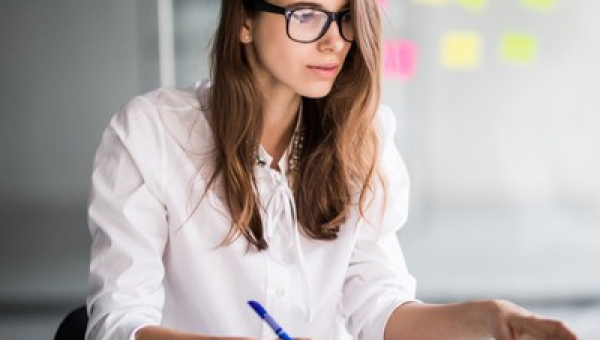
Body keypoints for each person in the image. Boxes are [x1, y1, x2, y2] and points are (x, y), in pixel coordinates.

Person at [85, 0, 580, 339]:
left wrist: (488, 319)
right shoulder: (150, 134)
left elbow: (379, 308)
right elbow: (118, 325)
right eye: (307, 15)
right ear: (244, 21)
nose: (335, 42)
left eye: (344, 17)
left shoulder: (362, 137)